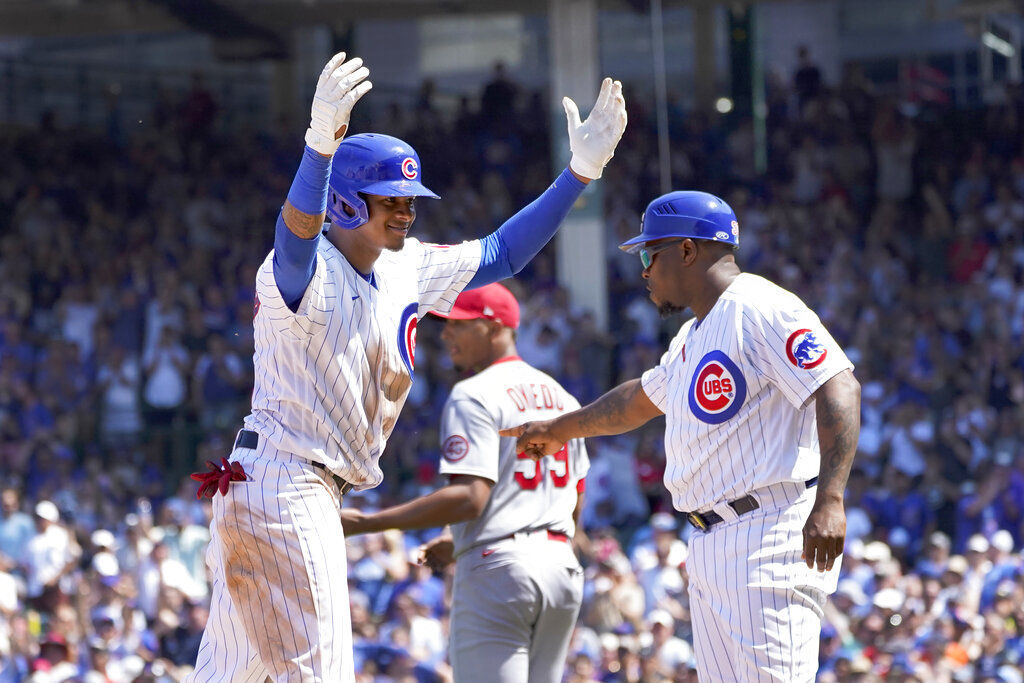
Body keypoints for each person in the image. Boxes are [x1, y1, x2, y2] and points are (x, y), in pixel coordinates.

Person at [186, 52, 625, 682]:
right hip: (287, 483)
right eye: (391, 199)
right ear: (342, 204)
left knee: (232, 675)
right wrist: (318, 148)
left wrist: (578, 174)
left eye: (410, 199)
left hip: (282, 486)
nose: (406, 211)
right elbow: (294, 238)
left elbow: (502, 253)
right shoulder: (302, 270)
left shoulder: (407, 265)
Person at [503, 191, 861, 681]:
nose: (644, 270)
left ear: (688, 251)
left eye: (651, 254)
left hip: (767, 532)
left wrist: (832, 498)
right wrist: (559, 429)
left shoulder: (759, 306)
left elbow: (839, 384)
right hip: (711, 541)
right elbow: (638, 401)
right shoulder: (694, 334)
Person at [341, 283, 589, 683]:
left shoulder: (474, 393)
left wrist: (366, 523)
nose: (445, 335)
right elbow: (575, 499)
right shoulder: (563, 398)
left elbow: (470, 499)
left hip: (500, 571)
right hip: (561, 569)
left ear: (493, 327)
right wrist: (459, 539)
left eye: (458, 324)